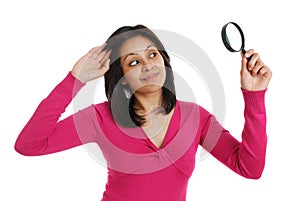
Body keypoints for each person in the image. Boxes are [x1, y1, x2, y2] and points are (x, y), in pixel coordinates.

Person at [15, 24, 272, 201]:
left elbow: (249, 168)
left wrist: (254, 96)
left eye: (152, 55)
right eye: (134, 61)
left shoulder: (196, 117)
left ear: (164, 61)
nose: (148, 65)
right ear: (123, 77)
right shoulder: (99, 118)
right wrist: (74, 80)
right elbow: (29, 144)